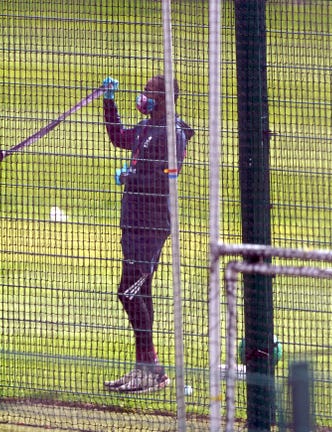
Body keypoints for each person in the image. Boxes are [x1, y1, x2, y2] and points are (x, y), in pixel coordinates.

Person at [100, 74, 194, 393]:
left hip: (152, 225)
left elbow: (165, 179)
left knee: (128, 291)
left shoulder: (173, 134)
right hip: (133, 222)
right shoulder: (145, 129)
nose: (143, 97)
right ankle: (146, 368)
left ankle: (151, 368)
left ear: (165, 99)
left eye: (149, 93)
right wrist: (108, 102)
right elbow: (118, 137)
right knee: (141, 292)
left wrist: (131, 177)